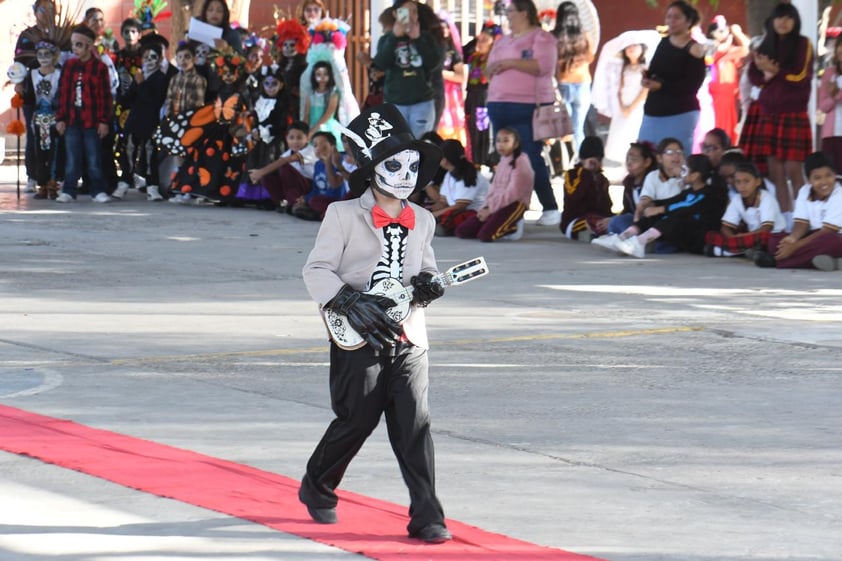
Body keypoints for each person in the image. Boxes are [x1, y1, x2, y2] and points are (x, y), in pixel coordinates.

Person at [298, 103, 451, 544]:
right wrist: (347, 300)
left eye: (412, 165)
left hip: (408, 336)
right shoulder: (342, 215)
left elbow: (426, 269)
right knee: (356, 420)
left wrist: (428, 286)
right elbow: (316, 270)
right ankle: (318, 483)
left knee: (414, 425)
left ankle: (427, 516)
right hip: (356, 333)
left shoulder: (423, 219)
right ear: (372, 168)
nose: (405, 173)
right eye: (393, 164)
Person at [486, 0, 560, 226]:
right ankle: (508, 207)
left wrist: (510, 63)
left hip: (529, 105)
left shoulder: (542, 38)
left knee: (529, 156)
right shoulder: (503, 40)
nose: (507, 16)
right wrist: (498, 66)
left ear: (524, 13)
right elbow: (488, 68)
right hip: (499, 103)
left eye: (510, 11)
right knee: (505, 157)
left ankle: (549, 206)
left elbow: (544, 67)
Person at [748, 2, 813, 220]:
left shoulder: (804, 44)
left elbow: (801, 76)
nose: (782, 23)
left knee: (794, 170)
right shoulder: (764, 44)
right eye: (779, 18)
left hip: (794, 113)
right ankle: (785, 220)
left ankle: (807, 218)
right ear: (772, 21)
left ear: (795, 22)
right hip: (769, 114)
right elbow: (753, 75)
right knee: (775, 173)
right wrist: (765, 77)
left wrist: (776, 72)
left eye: (788, 18)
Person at [597, 154, 727, 258]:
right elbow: (671, 201)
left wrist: (661, 209)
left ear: (695, 175)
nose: (681, 173)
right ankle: (623, 237)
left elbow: (687, 207)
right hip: (684, 232)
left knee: (676, 216)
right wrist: (652, 204)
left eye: (684, 170)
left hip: (697, 238)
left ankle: (639, 242)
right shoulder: (689, 191)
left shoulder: (708, 194)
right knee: (658, 213)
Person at [53, 25, 113, 203]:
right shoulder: (69, 66)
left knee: (94, 158)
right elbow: (63, 94)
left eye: (79, 44)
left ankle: (98, 190)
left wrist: (104, 121)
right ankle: (69, 190)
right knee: (72, 159)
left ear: (89, 46)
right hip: (72, 120)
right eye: (73, 44)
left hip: (92, 121)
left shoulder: (100, 68)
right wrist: (61, 118)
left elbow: (105, 96)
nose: (75, 49)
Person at [638, 1, 706, 156]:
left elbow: (692, 86)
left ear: (688, 21)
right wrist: (647, 78)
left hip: (680, 112)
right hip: (654, 110)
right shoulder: (664, 43)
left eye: (676, 17)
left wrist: (662, 86)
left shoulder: (694, 49)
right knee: (646, 156)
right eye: (669, 17)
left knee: (675, 160)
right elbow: (656, 71)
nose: (671, 21)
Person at [753, 152, 842, 271]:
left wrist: (796, 246)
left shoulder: (839, 193)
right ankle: (831, 261)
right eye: (817, 178)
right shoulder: (805, 191)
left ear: (835, 175)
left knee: (831, 242)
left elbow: (828, 230)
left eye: (828, 175)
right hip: (813, 236)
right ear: (809, 180)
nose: (824, 182)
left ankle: (777, 261)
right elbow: (801, 223)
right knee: (774, 241)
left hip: (832, 235)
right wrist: (792, 239)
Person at [372, 0, 444, 138]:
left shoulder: (426, 37)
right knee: (398, 144)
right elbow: (382, 63)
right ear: (395, 14)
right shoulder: (386, 39)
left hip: (422, 102)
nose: (410, 16)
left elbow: (433, 63)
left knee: (421, 144)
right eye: (405, 11)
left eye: (414, 12)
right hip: (395, 101)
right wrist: (394, 37)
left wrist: (418, 39)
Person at [455, 127, 534, 242]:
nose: (501, 144)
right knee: (462, 231)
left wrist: (491, 209)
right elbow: (493, 189)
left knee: (485, 236)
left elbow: (513, 194)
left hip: (514, 204)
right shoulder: (502, 161)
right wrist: (484, 207)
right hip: (496, 205)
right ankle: (494, 223)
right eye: (498, 141)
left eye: (506, 141)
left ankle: (512, 226)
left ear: (516, 144)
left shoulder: (521, 161)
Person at [119, 37, 170, 201]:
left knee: (150, 154)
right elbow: (129, 99)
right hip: (134, 121)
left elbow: (154, 100)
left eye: (153, 57)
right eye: (145, 56)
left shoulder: (161, 78)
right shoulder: (140, 76)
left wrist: (141, 85)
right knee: (129, 150)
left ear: (160, 59)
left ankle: (152, 185)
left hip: (151, 122)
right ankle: (125, 181)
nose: (148, 60)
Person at [157, 42, 208, 203]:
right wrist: (170, 119)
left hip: (191, 124)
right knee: (178, 157)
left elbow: (198, 104)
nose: (183, 60)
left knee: (191, 157)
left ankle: (191, 190)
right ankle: (181, 187)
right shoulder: (174, 79)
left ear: (194, 59)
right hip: (176, 123)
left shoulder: (198, 79)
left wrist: (190, 122)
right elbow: (170, 100)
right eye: (180, 57)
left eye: (187, 57)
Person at [703, 161, 785, 258]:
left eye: (746, 181)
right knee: (711, 235)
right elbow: (725, 227)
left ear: (758, 181)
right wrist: (732, 238)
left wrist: (743, 237)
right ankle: (747, 250)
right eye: (738, 182)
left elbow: (767, 228)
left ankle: (727, 251)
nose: (742, 186)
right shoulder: (737, 199)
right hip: (750, 236)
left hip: (771, 235)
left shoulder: (767, 199)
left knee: (764, 238)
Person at [237, 69, 289, 208]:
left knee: (269, 166)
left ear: (281, 85)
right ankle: (251, 195)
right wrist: (254, 129)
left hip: (273, 141)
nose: (270, 87)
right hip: (258, 140)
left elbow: (281, 124)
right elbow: (254, 118)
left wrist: (264, 131)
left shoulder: (281, 103)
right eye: (267, 84)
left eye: (274, 84)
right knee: (254, 163)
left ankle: (270, 197)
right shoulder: (259, 100)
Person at [21, 39, 62, 200]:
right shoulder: (32, 74)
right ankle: (42, 184)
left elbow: (62, 96)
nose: (43, 58)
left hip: (55, 117)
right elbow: (29, 98)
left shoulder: (60, 74)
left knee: (55, 151)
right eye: (40, 55)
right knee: (39, 152)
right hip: (37, 118)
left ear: (54, 55)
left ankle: (53, 182)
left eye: (47, 54)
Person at [552, 1, 595, 153]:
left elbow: (551, 61)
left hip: (563, 83)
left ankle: (564, 160)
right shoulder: (585, 36)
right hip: (583, 83)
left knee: (564, 128)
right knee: (578, 127)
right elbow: (590, 58)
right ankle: (579, 160)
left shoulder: (554, 37)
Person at [248, 120, 317, 211]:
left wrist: (260, 172)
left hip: (309, 186)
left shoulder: (310, 150)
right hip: (293, 186)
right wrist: (261, 174)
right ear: (286, 139)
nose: (295, 141)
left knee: (284, 167)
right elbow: (280, 162)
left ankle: (295, 203)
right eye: (291, 138)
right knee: (269, 174)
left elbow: (286, 160)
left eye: (299, 138)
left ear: (307, 138)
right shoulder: (287, 153)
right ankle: (281, 202)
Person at [428, 139, 489, 236]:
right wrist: (427, 213)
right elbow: (443, 202)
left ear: (446, 160)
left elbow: (460, 206)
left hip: (476, 213)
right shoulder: (449, 174)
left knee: (458, 223)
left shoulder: (467, 175)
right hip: (457, 211)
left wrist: (434, 215)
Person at [559, 136, 612, 240]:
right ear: (582, 159)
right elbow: (574, 196)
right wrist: (585, 173)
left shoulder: (602, 179)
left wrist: (609, 219)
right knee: (591, 221)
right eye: (589, 159)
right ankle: (596, 233)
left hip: (597, 217)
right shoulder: (571, 175)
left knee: (614, 220)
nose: (593, 163)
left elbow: (607, 205)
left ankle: (602, 232)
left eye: (597, 159)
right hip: (574, 220)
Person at [706, 16, 749, 145]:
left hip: (729, 95)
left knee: (729, 128)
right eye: (720, 31)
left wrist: (738, 33)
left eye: (725, 30)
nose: (724, 33)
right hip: (713, 96)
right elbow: (711, 58)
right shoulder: (710, 48)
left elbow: (747, 48)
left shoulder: (732, 50)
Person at [464, 21, 501, 166]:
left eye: (486, 39)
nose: (481, 41)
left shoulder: (495, 58)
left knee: (484, 132)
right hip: (473, 97)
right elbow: (464, 51)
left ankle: (487, 162)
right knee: (473, 131)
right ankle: (476, 162)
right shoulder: (474, 58)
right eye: (480, 38)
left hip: (485, 99)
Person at [291, 131, 348, 220]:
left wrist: (328, 162)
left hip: (337, 201)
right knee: (307, 202)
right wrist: (305, 198)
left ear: (333, 147)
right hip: (322, 200)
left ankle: (326, 215)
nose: (318, 149)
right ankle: (322, 214)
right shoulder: (318, 164)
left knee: (314, 202)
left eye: (323, 146)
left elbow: (335, 185)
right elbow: (316, 190)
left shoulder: (340, 161)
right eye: (315, 145)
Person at [606, 141, 658, 235]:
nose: (629, 163)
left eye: (634, 159)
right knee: (614, 222)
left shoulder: (654, 181)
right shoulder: (628, 183)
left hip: (652, 224)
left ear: (647, 162)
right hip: (635, 222)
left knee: (618, 222)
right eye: (627, 159)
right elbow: (627, 211)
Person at [436, 12, 465, 144]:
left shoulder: (452, 52)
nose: (443, 30)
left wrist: (441, 73)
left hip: (449, 96)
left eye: (445, 26)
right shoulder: (430, 49)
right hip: (432, 92)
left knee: (449, 125)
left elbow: (460, 76)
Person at [817, 33, 842, 172]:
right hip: (831, 135)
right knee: (831, 175)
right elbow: (822, 106)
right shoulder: (829, 73)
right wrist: (834, 97)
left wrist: (836, 93)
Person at [303, 61, 342, 144]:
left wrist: (314, 130)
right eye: (318, 74)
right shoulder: (310, 93)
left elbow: (328, 114)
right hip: (311, 126)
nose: (322, 77)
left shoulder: (333, 93)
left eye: (325, 74)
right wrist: (305, 130)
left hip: (326, 126)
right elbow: (307, 114)